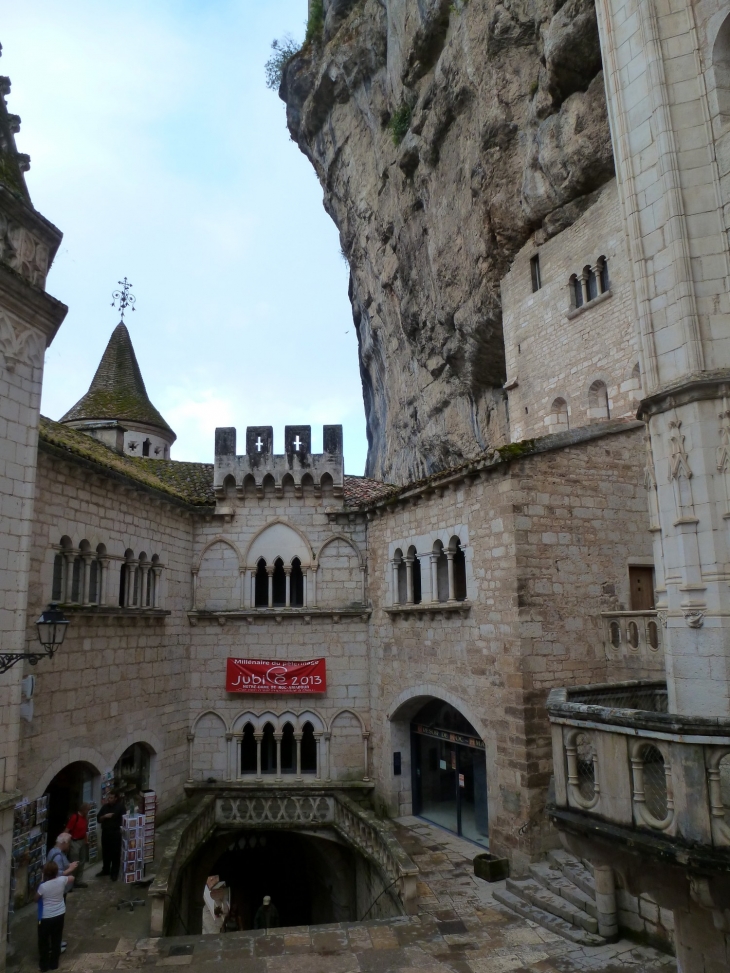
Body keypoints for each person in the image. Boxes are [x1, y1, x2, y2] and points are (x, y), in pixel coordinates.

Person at [36, 860, 74, 971]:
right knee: (56, 939)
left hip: (45, 917)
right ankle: (54, 964)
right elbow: (72, 878)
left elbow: (36, 898)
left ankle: (44, 965)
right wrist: (64, 874)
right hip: (59, 914)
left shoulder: (43, 887)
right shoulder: (62, 880)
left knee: (43, 941)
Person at [97, 790, 125, 881]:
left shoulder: (120, 807)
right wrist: (105, 816)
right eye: (108, 797)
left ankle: (114, 872)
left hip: (115, 833)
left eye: (111, 798)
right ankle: (106, 869)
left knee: (115, 854)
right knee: (106, 852)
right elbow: (99, 819)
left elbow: (124, 820)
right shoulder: (105, 807)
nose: (109, 799)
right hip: (105, 833)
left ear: (116, 798)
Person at [64, 804, 90, 888]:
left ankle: (78, 881)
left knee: (82, 861)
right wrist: (65, 843)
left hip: (82, 841)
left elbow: (85, 830)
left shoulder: (85, 818)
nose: (88, 812)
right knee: (74, 863)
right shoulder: (75, 817)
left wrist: (86, 841)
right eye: (87, 810)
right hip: (74, 841)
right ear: (83, 810)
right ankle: (71, 882)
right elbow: (67, 830)